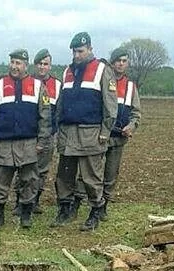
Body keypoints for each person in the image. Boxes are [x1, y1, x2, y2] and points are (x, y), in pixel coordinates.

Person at [52, 32, 117, 231]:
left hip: (91, 133)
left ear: (90, 49)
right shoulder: (67, 72)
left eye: (80, 51)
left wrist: (105, 132)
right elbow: (61, 104)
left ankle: (95, 212)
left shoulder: (102, 70)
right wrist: (57, 128)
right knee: (64, 176)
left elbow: (111, 106)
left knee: (91, 177)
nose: (76, 55)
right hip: (67, 133)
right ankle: (65, 209)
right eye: (74, 51)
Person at [0, 49, 43, 229]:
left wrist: (42, 142)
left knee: (29, 180)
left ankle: (26, 215)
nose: (14, 66)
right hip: (4, 142)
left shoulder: (38, 86)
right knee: (1, 182)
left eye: (18, 63)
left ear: (26, 65)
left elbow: (45, 117)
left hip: (29, 142)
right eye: (12, 62)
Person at [13, 49, 61, 217]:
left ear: (50, 66)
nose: (42, 67)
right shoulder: (28, 82)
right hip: (30, 136)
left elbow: (59, 111)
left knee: (42, 170)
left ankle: (35, 201)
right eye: (39, 63)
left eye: (45, 64)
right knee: (25, 169)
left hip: (49, 136)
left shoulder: (57, 85)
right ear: (34, 65)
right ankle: (20, 202)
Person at [99, 46, 141, 220]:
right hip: (100, 137)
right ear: (112, 63)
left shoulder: (131, 87)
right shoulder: (102, 81)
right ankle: (83, 203)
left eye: (124, 61)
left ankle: (104, 206)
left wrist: (131, 126)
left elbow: (136, 113)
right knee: (88, 172)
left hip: (118, 139)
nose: (121, 64)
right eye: (118, 60)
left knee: (111, 174)